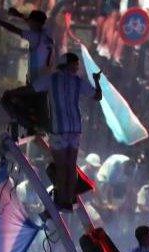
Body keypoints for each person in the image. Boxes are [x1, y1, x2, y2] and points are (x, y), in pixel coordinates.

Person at [32, 53, 102, 209]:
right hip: (75, 128)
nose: (76, 68)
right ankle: (69, 199)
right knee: (71, 166)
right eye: (75, 65)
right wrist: (96, 81)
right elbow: (97, 96)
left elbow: (34, 87)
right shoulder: (78, 81)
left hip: (59, 129)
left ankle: (62, 199)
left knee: (62, 167)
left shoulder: (51, 79)